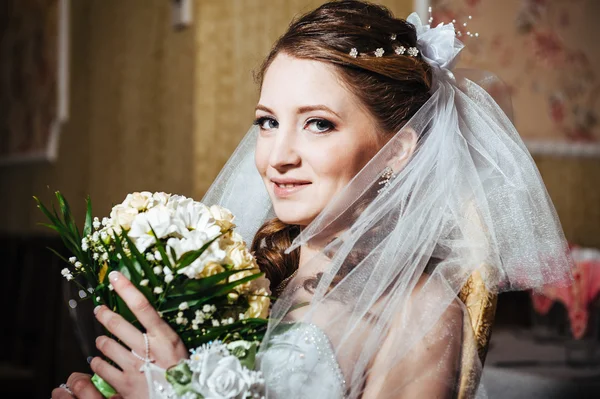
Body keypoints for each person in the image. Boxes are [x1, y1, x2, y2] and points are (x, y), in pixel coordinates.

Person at [52, 1, 572, 398]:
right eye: (268, 122)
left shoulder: (422, 314)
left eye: (318, 124)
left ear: (397, 151)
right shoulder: (248, 268)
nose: (278, 156)